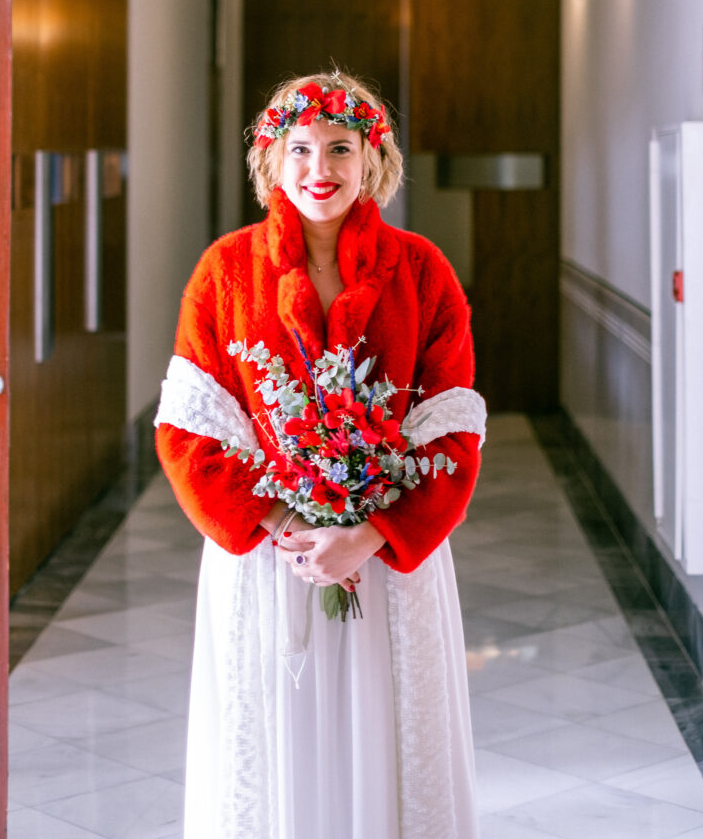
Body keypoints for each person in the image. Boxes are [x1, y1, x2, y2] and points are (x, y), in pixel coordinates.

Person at [155, 71, 486, 839]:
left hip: (391, 559)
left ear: (373, 159)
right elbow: (188, 429)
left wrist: (369, 533)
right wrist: (289, 526)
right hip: (270, 559)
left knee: (388, 733)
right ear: (270, 159)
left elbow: (452, 424)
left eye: (341, 147)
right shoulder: (224, 272)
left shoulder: (422, 270)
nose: (319, 169)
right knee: (275, 738)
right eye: (298, 147)